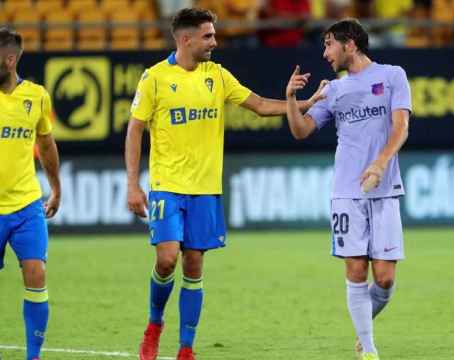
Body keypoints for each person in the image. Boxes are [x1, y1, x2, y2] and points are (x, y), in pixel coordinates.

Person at [125, 7, 324, 360]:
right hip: (167, 185)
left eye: (214, 35)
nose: (215, 42)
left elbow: (260, 105)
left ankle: (186, 349)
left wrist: (302, 101)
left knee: (194, 265)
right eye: (208, 36)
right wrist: (132, 184)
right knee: (168, 259)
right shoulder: (154, 78)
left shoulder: (216, 76)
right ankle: (155, 324)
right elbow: (135, 128)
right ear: (185, 39)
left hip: (205, 189)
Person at [284, 19, 411, 360]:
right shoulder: (334, 90)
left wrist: (380, 162)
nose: (325, 53)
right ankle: (368, 349)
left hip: (383, 189)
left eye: (328, 45)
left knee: (384, 279)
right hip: (346, 192)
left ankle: (364, 329)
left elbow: (401, 128)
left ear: (350, 43)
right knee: (355, 269)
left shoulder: (393, 76)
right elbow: (302, 130)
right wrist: (292, 99)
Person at [0, 28, 61, 360]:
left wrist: (56, 188)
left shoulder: (37, 96)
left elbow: (46, 144)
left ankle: (33, 356)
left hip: (26, 204)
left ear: (10, 60)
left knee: (36, 272)